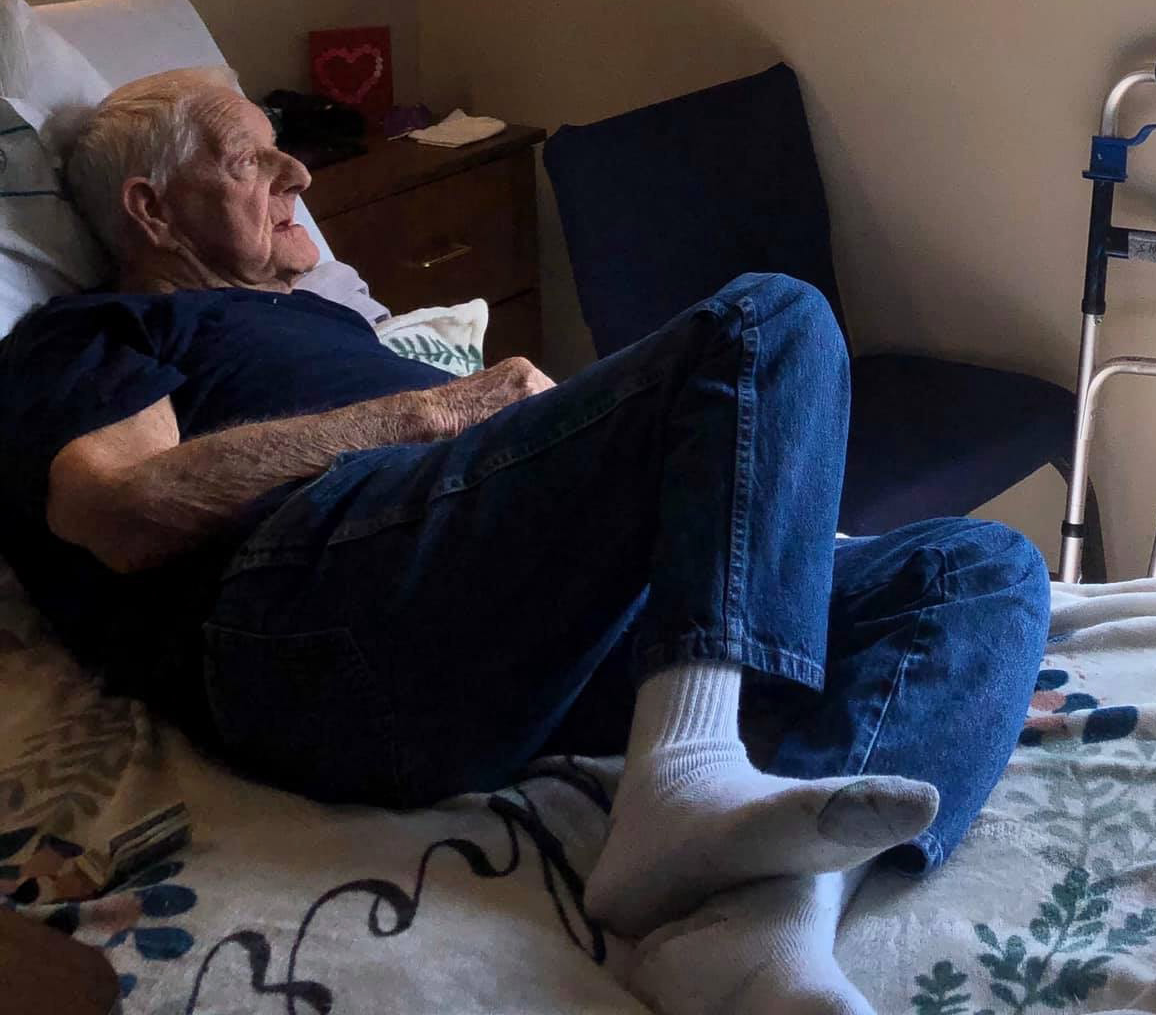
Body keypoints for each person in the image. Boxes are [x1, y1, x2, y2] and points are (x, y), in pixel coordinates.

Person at [0, 68, 1051, 1015]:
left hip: (491, 628)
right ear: (149, 208)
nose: (296, 172)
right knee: (763, 320)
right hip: (305, 617)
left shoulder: (321, 320)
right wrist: (440, 410)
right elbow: (123, 511)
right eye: (248, 158)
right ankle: (685, 770)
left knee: (977, 569)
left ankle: (759, 928)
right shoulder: (94, 332)